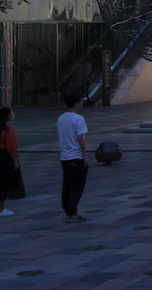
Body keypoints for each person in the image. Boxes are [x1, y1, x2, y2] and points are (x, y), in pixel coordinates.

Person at [56, 94, 89, 222]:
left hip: (64, 157)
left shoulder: (61, 118)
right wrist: (85, 155)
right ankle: (72, 210)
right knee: (77, 185)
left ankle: (67, 209)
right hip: (76, 156)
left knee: (67, 184)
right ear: (76, 103)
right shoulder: (78, 119)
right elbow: (80, 138)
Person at [0, 107, 25, 217]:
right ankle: (1, 209)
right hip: (6, 157)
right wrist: (15, 160)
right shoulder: (8, 130)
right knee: (5, 182)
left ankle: (0, 207)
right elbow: (12, 146)